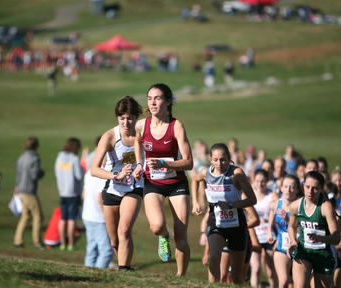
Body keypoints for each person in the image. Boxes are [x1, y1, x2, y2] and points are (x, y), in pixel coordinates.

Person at [133, 83, 193, 276]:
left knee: (182, 236)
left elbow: (189, 162)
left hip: (177, 184)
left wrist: (165, 164)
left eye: (157, 98)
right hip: (153, 183)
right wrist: (139, 164)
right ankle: (163, 236)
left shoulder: (177, 126)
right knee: (157, 225)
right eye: (150, 98)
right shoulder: (142, 125)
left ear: (167, 102)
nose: (152, 102)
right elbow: (137, 143)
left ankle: (180, 277)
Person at [91, 96, 144, 271]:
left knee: (125, 231)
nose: (126, 122)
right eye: (122, 118)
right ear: (117, 118)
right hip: (112, 188)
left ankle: (124, 270)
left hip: (134, 188)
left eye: (130, 118)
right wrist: (116, 175)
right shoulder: (109, 136)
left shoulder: (142, 134)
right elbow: (94, 169)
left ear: (136, 117)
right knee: (114, 240)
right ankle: (125, 265)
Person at [191, 143, 257, 284]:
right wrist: (195, 202)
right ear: (210, 159)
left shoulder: (237, 174)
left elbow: (252, 199)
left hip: (237, 224)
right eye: (215, 159)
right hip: (216, 221)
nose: (219, 163)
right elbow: (194, 180)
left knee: (237, 277)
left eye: (223, 159)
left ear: (229, 158)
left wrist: (231, 205)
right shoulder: (205, 173)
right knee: (214, 258)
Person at [287, 171, 341, 288]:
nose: (310, 191)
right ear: (303, 186)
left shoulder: (326, 207)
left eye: (315, 188)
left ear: (321, 188)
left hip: (323, 254)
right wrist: (293, 241)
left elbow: (336, 238)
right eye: (307, 187)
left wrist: (321, 238)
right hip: (303, 251)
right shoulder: (295, 206)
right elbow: (291, 226)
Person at [267, 175, 301, 288]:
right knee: (284, 281)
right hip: (281, 246)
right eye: (285, 186)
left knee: (298, 284)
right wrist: (269, 231)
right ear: (281, 188)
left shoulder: (300, 206)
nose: (288, 190)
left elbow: (301, 228)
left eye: (292, 187)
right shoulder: (277, 204)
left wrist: (287, 219)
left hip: (298, 247)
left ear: (297, 190)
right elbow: (272, 211)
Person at [13, 136, 45, 250]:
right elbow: (34, 175)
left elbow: (18, 173)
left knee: (25, 216)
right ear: (36, 146)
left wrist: (16, 186)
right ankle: (37, 242)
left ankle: (18, 240)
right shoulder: (35, 158)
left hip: (20, 190)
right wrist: (42, 173)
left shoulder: (22, 157)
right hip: (29, 191)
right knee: (38, 216)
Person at [55, 137, 84, 251]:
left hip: (62, 192)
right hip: (73, 193)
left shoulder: (59, 157)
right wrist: (82, 167)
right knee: (72, 219)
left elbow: (57, 173)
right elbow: (79, 176)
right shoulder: (74, 159)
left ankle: (62, 243)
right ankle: (71, 243)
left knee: (63, 218)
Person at [250, 169, 278, 288]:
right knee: (255, 269)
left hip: (268, 236)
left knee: (270, 271)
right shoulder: (249, 194)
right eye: (257, 181)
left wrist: (266, 219)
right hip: (253, 235)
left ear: (267, 182)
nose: (260, 184)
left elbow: (278, 209)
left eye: (263, 181)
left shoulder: (272, 195)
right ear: (254, 181)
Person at [82, 168, 114, 268]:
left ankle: (88, 271)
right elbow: (100, 198)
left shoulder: (89, 172)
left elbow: (84, 194)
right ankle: (98, 273)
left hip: (87, 215)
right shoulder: (104, 175)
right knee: (107, 251)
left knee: (92, 248)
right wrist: (108, 217)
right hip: (98, 218)